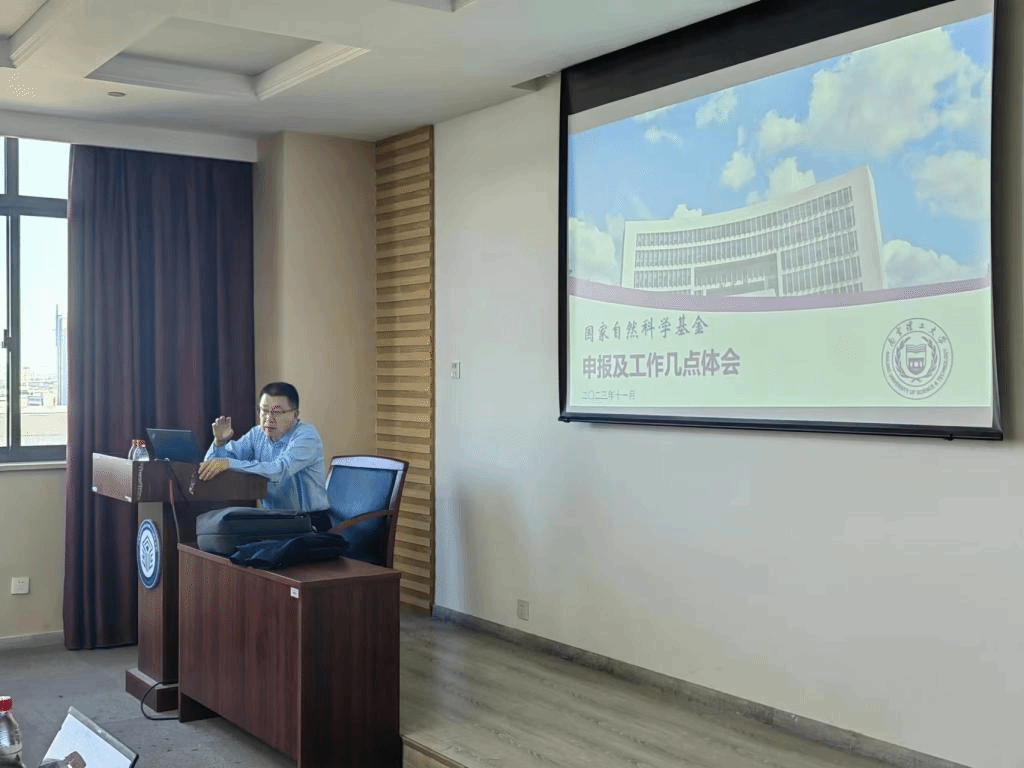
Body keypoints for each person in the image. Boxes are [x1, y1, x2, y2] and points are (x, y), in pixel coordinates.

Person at [198, 381, 333, 531]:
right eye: (264, 411)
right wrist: (219, 443)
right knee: (226, 533)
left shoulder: (306, 436)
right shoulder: (257, 434)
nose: (269, 418)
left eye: (277, 412)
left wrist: (228, 463)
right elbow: (211, 466)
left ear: (295, 415)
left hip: (310, 522)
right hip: (274, 520)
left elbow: (279, 470)